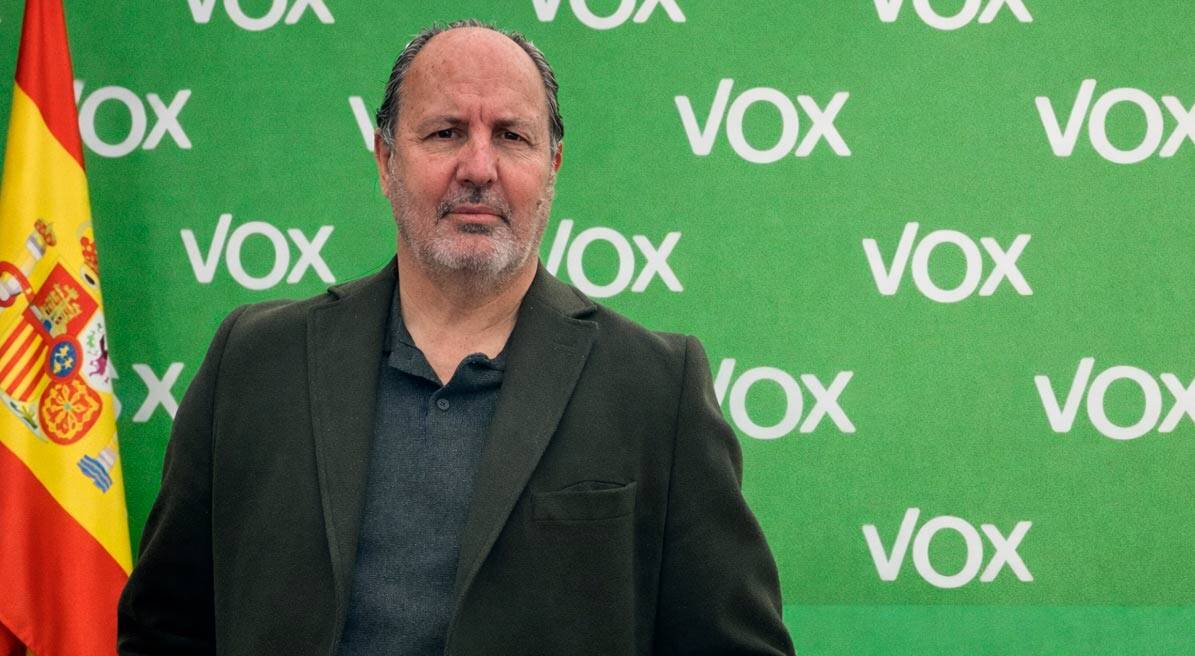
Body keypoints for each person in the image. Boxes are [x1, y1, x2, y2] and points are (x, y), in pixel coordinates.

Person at [117, 19, 794, 656]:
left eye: (511, 136)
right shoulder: (252, 361)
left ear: (553, 166)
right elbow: (163, 630)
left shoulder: (656, 387)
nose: (478, 166)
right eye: (445, 133)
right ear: (385, 160)